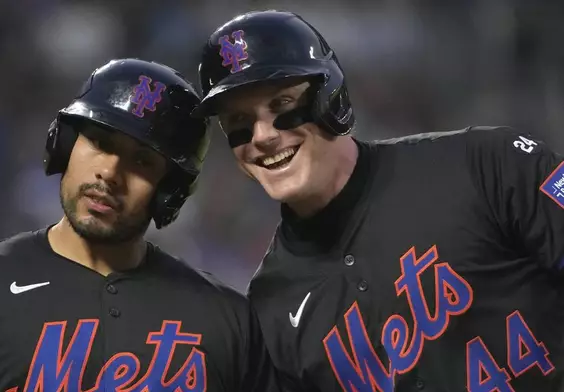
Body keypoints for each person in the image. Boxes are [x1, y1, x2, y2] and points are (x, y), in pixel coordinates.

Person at [191, 9, 564, 392]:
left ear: (330, 98)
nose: (263, 136)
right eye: (239, 123)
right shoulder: (270, 311)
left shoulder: (487, 163)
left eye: (282, 105)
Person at [0, 58, 278, 392]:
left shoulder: (227, 322)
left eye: (141, 161)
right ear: (64, 144)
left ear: (169, 192)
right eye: (100, 143)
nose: (109, 173)